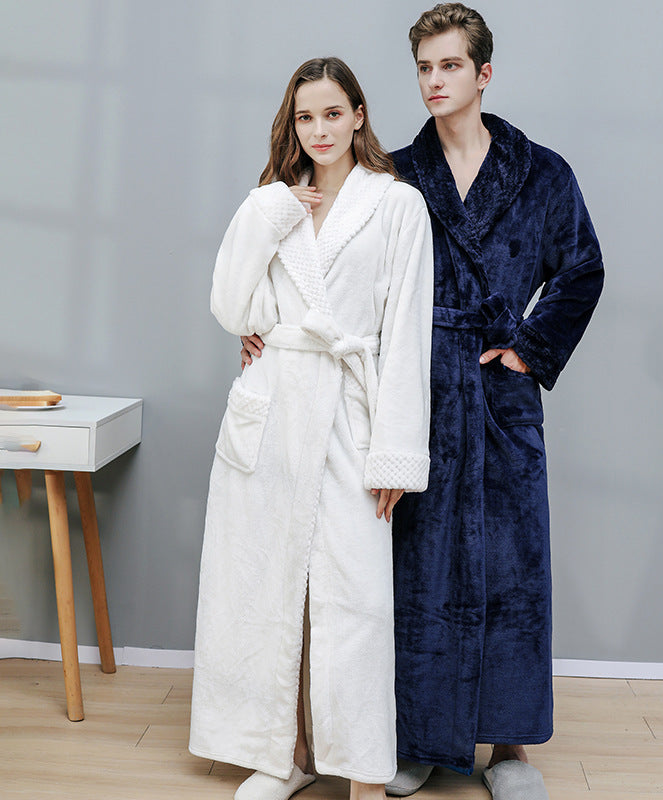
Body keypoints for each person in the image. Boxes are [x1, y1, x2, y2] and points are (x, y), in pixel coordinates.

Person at [242, 5, 604, 799]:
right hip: (411, 387)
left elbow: (582, 267)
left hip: (500, 395)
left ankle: (508, 749)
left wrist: (529, 348)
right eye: (424, 68)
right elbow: (330, 266)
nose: (435, 81)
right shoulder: (395, 177)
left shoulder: (543, 173)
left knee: (514, 565)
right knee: (413, 568)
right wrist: (266, 323)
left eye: (450, 66)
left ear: (483, 73)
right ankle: (417, 741)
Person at [191, 57, 434, 800]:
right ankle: (283, 755)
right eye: (305, 117)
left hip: (350, 410)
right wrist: (266, 214)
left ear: (359, 116)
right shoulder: (273, 204)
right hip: (270, 409)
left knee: (355, 599)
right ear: (291, 124)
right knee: (265, 587)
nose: (320, 130)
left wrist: (395, 454)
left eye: (333, 113)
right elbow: (232, 308)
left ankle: (362, 773)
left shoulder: (397, 204)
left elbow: (406, 336)